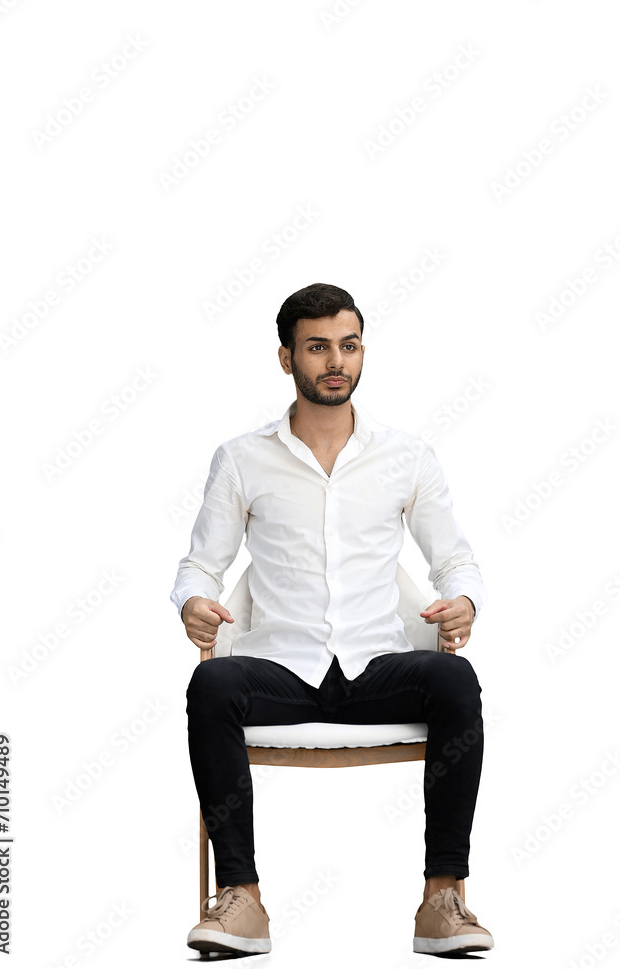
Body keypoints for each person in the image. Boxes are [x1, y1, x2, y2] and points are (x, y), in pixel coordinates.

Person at [170, 283, 494, 956]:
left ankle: (443, 898)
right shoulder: (240, 458)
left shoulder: (406, 456)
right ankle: (241, 901)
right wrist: (192, 604)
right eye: (317, 347)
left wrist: (463, 601)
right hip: (280, 669)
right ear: (287, 359)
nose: (335, 360)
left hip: (378, 666)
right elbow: (201, 566)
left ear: (361, 351)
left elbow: (456, 562)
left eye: (347, 345)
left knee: (456, 681)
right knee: (212, 687)